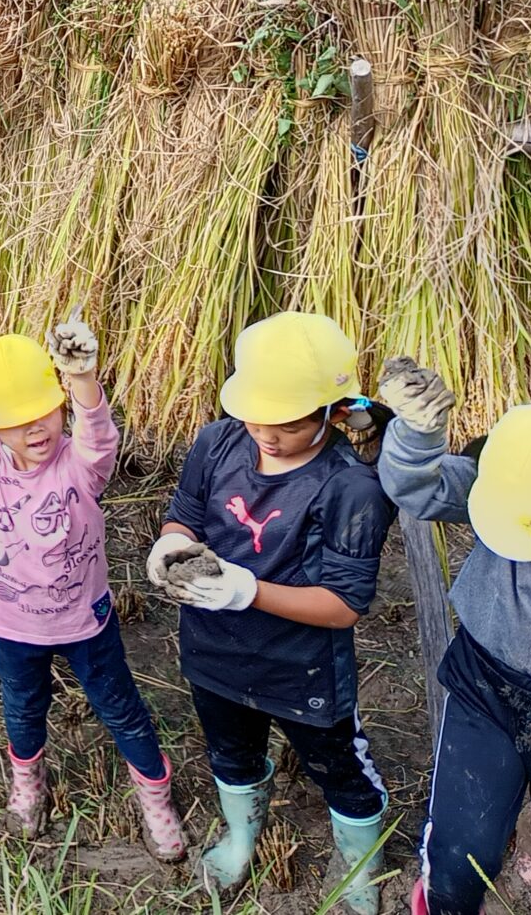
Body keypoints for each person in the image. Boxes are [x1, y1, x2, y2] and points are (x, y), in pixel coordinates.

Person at [0, 310, 186, 860]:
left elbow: (99, 436)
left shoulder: (81, 465)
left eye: (44, 412)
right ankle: (28, 782)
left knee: (120, 707)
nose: (35, 429)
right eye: (16, 421)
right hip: (10, 624)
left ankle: (155, 796)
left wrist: (81, 379)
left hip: (83, 621)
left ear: (60, 406)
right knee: (23, 707)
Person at [148, 312, 397, 913]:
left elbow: (343, 606)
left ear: (333, 412)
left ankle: (361, 863)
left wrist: (247, 590)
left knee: (339, 769)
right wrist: (170, 545)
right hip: (213, 650)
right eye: (255, 416)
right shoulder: (217, 442)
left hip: (302, 667)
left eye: (287, 423)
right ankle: (241, 837)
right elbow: (186, 515)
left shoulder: (350, 487)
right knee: (230, 752)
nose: (266, 434)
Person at [375, 360, 531, 915]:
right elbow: (421, 486)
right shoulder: (510, 474)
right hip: (486, 684)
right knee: (459, 862)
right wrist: (418, 434)